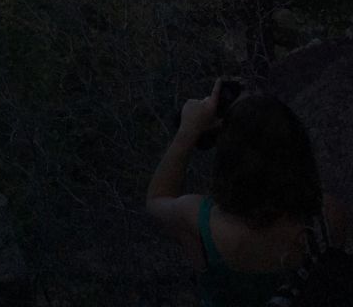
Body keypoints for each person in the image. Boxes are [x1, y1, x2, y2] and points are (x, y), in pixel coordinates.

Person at [146, 77, 350, 306]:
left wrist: (188, 130)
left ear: (227, 160)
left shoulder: (199, 221)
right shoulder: (328, 217)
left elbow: (157, 198)